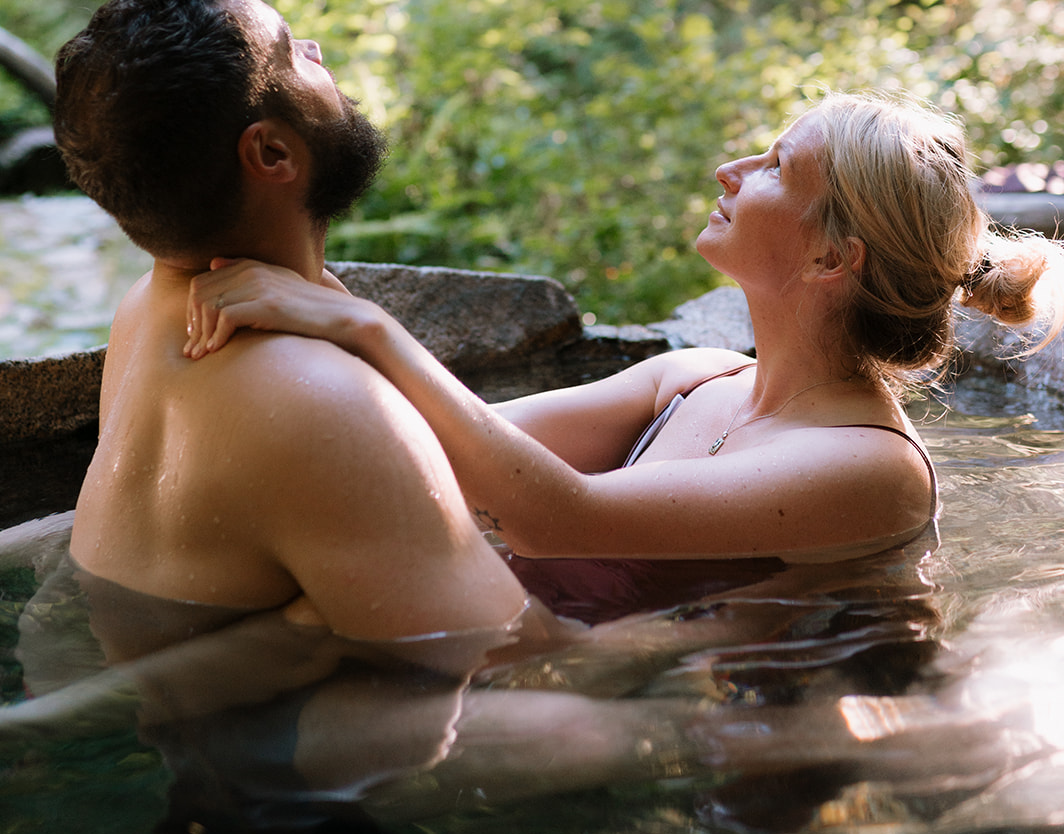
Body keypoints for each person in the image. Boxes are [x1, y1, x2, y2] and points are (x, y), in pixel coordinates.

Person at [184, 92, 1064, 567]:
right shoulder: (690, 379)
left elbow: (555, 519)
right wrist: (296, 274)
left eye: (775, 166)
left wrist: (366, 327)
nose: (731, 169)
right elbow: (429, 446)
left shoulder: (873, 469)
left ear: (835, 259)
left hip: (750, 748)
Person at [52, 0, 538, 647]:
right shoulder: (319, 401)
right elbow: (515, 650)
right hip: (309, 747)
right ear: (273, 155)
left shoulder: (148, 312)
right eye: (292, 53)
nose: (315, 48)